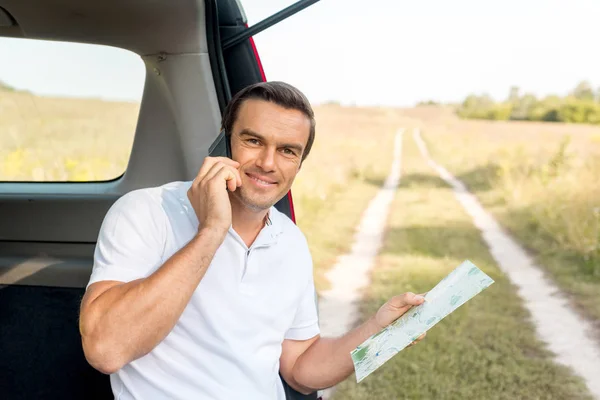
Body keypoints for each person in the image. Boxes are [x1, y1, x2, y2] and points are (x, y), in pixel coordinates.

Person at [79, 81, 425, 399]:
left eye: (288, 151)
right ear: (224, 141)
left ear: (299, 164)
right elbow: (106, 350)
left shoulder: (290, 241)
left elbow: (300, 368)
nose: (267, 163)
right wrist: (212, 231)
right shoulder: (145, 212)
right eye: (254, 141)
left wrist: (378, 330)